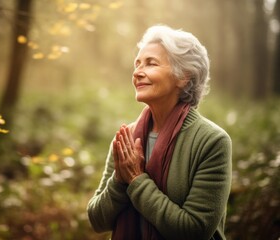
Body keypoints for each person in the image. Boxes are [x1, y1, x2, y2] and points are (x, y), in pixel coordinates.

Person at [87, 25, 232, 240]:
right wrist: (120, 179)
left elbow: (194, 230)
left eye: (150, 63)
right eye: (137, 64)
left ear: (184, 76)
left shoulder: (212, 141)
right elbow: (97, 220)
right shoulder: (127, 138)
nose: (137, 72)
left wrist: (136, 180)